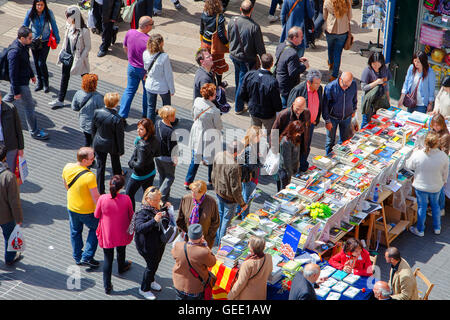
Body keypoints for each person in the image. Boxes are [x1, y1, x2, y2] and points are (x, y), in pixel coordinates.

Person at [4, 26, 49, 140]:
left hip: (22, 80)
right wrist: (17, 91)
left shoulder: (23, 46)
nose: (31, 40)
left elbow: (26, 62)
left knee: (7, 100)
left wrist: (31, 75)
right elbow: (12, 74)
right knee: (29, 107)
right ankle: (34, 132)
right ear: (22, 38)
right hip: (20, 84)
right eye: (29, 38)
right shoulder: (14, 52)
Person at [62, 147, 100, 268]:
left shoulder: (67, 167)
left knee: (75, 231)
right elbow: (96, 197)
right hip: (87, 210)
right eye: (91, 159)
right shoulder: (90, 176)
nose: (93, 160)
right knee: (96, 228)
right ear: (84, 161)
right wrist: (101, 210)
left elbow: (66, 185)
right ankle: (87, 256)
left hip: (72, 206)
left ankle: (77, 256)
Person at [94, 175, 133, 294]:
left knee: (108, 259)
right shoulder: (126, 199)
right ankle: (121, 267)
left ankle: (107, 286)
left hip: (108, 233)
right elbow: (131, 215)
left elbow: (96, 215)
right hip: (122, 231)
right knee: (121, 250)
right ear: (122, 187)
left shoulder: (102, 198)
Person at [406, 132, 448, 237]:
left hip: (421, 186)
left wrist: (413, 154)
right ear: (437, 143)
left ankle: (420, 230)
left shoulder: (418, 154)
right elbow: (445, 173)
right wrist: (443, 181)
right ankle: (437, 227)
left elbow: (409, 165)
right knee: (435, 206)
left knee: (422, 207)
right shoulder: (443, 156)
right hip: (436, 186)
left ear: (425, 143)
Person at [228, 0, 266, 114]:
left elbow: (229, 35)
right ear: (252, 10)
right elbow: (260, 47)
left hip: (234, 55)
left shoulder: (232, 20)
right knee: (242, 82)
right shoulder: (254, 27)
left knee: (238, 78)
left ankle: (239, 100)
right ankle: (239, 107)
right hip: (246, 59)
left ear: (240, 9)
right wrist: (264, 59)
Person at [49, 5, 91, 108]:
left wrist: (81, 59)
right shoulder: (69, 25)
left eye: (68, 16)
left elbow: (88, 47)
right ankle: (60, 99)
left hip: (78, 57)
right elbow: (66, 40)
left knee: (85, 78)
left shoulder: (84, 31)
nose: (66, 18)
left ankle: (92, 97)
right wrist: (62, 51)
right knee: (64, 77)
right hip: (67, 56)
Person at [134, 187, 171, 300]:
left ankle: (151, 280)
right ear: (147, 199)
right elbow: (139, 228)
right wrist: (154, 220)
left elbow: (160, 213)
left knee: (156, 263)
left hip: (158, 242)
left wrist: (165, 208)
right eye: (155, 200)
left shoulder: (156, 206)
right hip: (147, 246)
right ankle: (144, 289)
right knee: (151, 266)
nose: (158, 202)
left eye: (159, 199)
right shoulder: (142, 213)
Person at [184, 83, 223, 189]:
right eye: (214, 94)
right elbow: (218, 126)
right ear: (210, 96)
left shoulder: (197, 101)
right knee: (211, 159)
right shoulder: (214, 110)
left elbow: (193, 115)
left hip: (197, 131)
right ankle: (211, 180)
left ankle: (188, 181)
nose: (215, 95)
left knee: (195, 158)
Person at [118, 16, 153, 122]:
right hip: (144, 71)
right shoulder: (149, 40)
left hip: (132, 67)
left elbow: (125, 47)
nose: (152, 26)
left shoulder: (130, 32)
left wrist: (130, 59)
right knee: (146, 93)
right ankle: (145, 116)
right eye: (152, 24)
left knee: (129, 90)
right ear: (146, 26)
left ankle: (122, 116)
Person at [287, 69, 323, 172]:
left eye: (319, 83)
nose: (318, 85)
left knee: (306, 146)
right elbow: (290, 109)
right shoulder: (298, 90)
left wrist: (316, 119)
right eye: (316, 83)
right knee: (296, 147)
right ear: (309, 82)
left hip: (310, 125)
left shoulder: (319, 88)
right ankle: (294, 169)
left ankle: (303, 166)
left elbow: (319, 104)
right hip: (298, 126)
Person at [212, 141, 248, 246]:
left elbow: (213, 174)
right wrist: (242, 204)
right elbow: (235, 188)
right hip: (229, 198)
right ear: (236, 153)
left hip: (219, 192)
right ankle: (221, 244)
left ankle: (217, 238)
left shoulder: (218, 155)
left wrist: (216, 187)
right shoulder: (234, 166)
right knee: (226, 221)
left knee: (220, 216)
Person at [239, 53, 282, 137]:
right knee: (272, 136)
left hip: (254, 111)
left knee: (254, 134)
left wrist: (249, 103)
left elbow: (242, 93)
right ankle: (272, 150)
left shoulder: (249, 75)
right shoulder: (272, 81)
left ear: (261, 62)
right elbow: (276, 101)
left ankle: (254, 150)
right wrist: (278, 111)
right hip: (268, 114)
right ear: (272, 64)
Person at [23, 0, 60, 93]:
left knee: (41, 63)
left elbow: (54, 26)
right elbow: (25, 26)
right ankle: (40, 83)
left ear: (44, 5)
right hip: (34, 41)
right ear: (35, 5)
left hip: (45, 41)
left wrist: (57, 38)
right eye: (38, 5)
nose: (39, 7)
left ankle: (46, 83)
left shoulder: (48, 13)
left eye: (41, 5)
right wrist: (23, 39)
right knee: (36, 62)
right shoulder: (30, 12)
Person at [171, 224, 217, 300]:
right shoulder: (203, 251)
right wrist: (206, 246)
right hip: (194, 288)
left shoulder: (178, 246)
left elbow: (173, 254)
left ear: (188, 235)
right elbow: (213, 262)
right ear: (201, 236)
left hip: (178, 284)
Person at [92, 92, 125, 195]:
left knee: (100, 167)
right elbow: (120, 137)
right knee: (116, 163)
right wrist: (121, 150)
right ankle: (117, 185)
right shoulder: (117, 119)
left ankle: (100, 191)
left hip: (99, 142)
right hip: (112, 145)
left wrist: (94, 141)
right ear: (115, 104)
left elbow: (93, 128)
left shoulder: (97, 112)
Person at [126, 118, 161, 211]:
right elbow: (158, 153)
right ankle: (149, 211)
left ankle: (131, 214)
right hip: (151, 171)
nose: (138, 130)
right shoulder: (155, 139)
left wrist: (131, 163)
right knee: (148, 194)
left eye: (141, 129)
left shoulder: (142, 145)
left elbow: (139, 164)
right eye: (138, 128)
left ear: (148, 130)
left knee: (129, 194)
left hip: (139, 175)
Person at [322, 71, 358, 156]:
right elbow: (325, 106)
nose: (346, 88)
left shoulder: (353, 84)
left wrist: (353, 110)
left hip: (347, 117)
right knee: (330, 141)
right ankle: (328, 158)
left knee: (345, 140)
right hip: (332, 118)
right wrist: (327, 120)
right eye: (345, 85)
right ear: (340, 79)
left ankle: (341, 157)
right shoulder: (330, 87)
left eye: (348, 86)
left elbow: (354, 98)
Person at [177, 180, 220, 249]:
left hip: (204, 240)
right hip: (188, 239)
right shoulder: (186, 199)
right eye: (192, 191)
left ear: (203, 192)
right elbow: (180, 218)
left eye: (196, 192)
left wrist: (209, 237)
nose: (193, 194)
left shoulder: (211, 202)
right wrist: (184, 234)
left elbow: (216, 221)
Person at [143, 33, 175, 124]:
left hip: (150, 84)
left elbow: (146, 68)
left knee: (151, 107)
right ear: (161, 44)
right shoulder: (164, 57)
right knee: (166, 106)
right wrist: (172, 90)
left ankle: (150, 127)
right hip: (163, 86)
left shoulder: (145, 53)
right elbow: (168, 75)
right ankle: (167, 123)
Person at [0, 144, 24, 266]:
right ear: (4, 158)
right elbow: (14, 201)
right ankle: (9, 258)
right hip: (5, 215)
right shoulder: (8, 176)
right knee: (9, 236)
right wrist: (19, 219)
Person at [235, 126, 264, 218]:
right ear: (254, 137)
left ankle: (238, 211)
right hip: (249, 177)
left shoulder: (244, 144)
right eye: (259, 136)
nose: (260, 138)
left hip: (243, 176)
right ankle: (244, 216)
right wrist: (260, 162)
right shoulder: (251, 148)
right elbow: (252, 166)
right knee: (247, 198)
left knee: (243, 194)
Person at [200, 0, 229, 87]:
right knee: (218, 65)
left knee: (209, 64)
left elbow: (201, 30)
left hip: (205, 43)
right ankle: (219, 84)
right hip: (215, 45)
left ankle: (212, 84)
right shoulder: (219, 17)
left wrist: (202, 42)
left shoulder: (203, 14)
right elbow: (221, 35)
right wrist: (227, 44)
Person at [71, 74, 104, 147]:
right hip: (94, 125)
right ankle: (91, 156)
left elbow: (74, 107)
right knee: (94, 143)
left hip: (83, 122)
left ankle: (86, 155)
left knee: (87, 140)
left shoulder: (78, 93)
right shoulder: (98, 97)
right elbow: (102, 112)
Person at [360, 52, 392, 128]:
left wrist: (388, 98)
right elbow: (363, 87)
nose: (376, 66)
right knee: (366, 121)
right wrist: (376, 82)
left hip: (380, 99)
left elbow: (386, 85)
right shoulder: (367, 70)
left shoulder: (385, 70)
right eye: (374, 64)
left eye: (378, 64)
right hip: (369, 100)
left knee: (378, 120)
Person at [323, 0, 352, 81]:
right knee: (338, 53)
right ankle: (334, 75)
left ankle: (330, 62)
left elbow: (324, 16)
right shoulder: (347, 2)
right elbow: (350, 17)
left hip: (330, 30)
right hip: (343, 31)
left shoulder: (327, 1)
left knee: (330, 48)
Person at [155, 106, 178, 202]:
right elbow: (173, 148)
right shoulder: (170, 131)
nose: (174, 117)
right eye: (172, 115)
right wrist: (175, 159)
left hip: (157, 156)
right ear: (167, 117)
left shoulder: (158, 123)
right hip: (167, 158)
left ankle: (164, 196)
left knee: (162, 175)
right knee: (170, 177)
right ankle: (160, 196)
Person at [429, 113, 450, 217]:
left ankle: (441, 208)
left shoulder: (445, 136)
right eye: (434, 125)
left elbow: (444, 153)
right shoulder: (433, 131)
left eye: (437, 126)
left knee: (440, 188)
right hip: (433, 162)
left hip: (440, 165)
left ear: (442, 125)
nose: (435, 128)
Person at [0, 92, 24, 174]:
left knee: (10, 172)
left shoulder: (10, 108)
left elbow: (18, 129)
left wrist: (21, 148)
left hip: (10, 145)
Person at [277, 121, 303, 191]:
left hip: (293, 168)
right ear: (293, 130)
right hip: (286, 171)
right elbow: (286, 160)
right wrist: (291, 174)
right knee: (285, 190)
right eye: (298, 132)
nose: (299, 134)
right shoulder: (286, 141)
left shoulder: (296, 137)